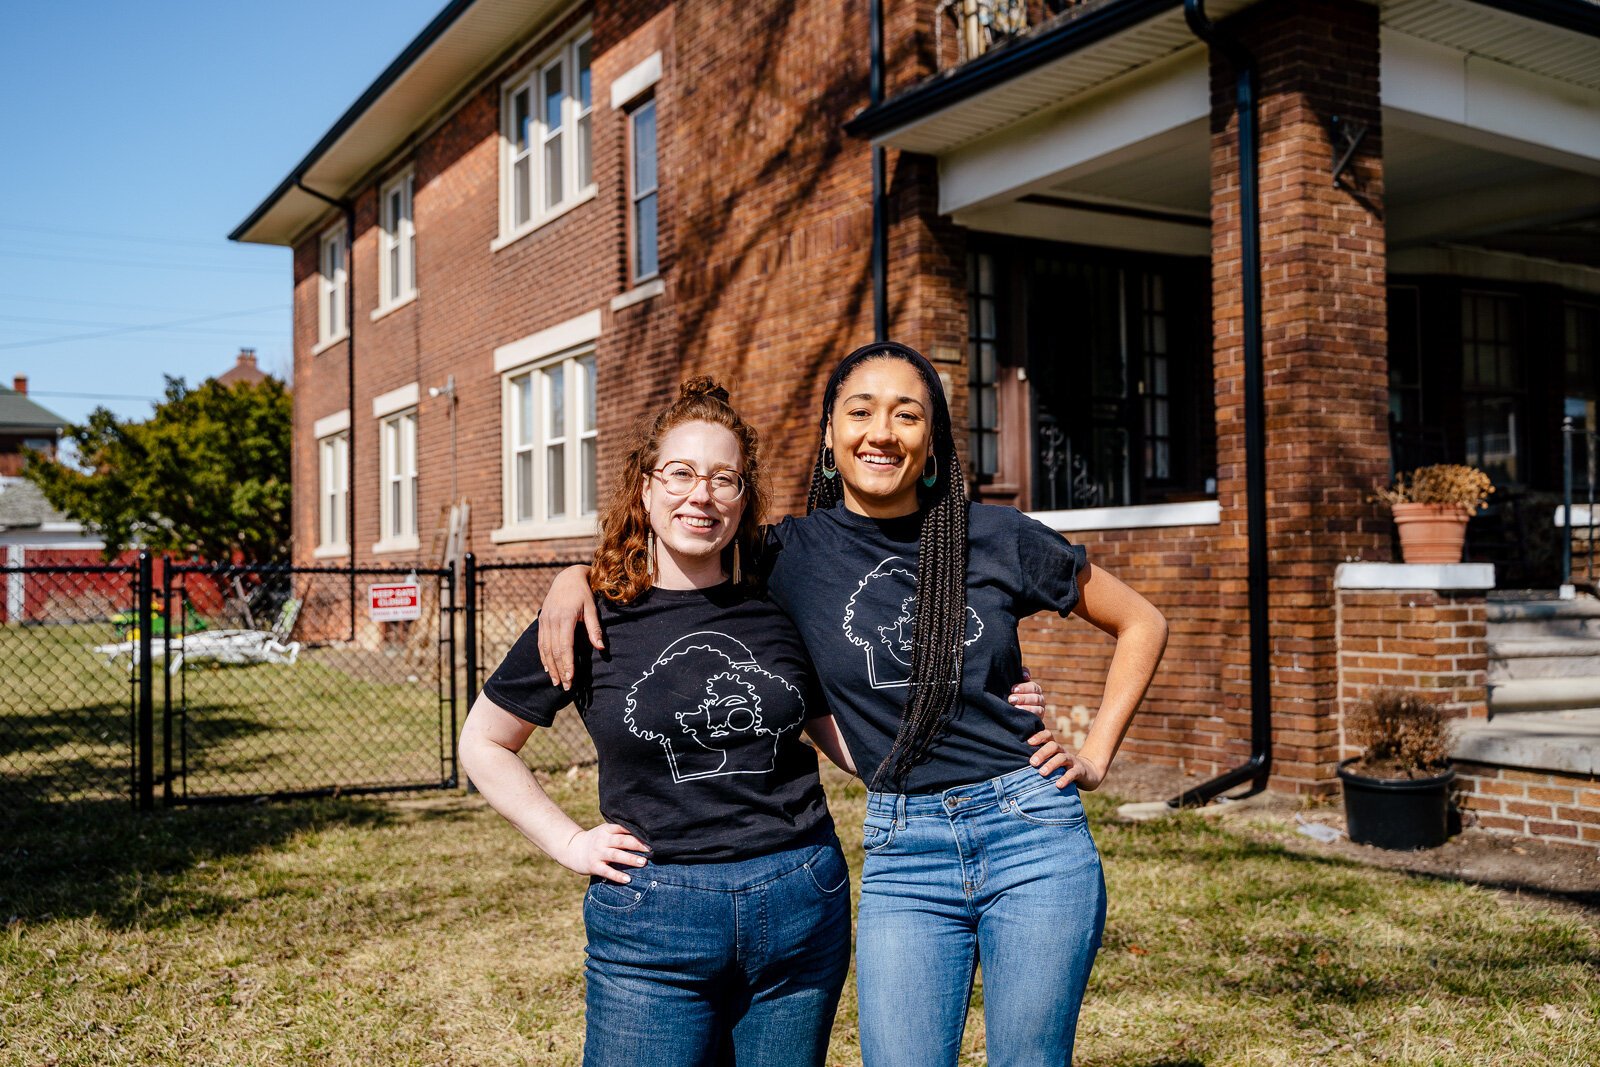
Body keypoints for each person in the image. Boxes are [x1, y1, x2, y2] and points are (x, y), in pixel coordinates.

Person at [537, 344, 1168, 1066]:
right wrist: (572, 576)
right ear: (830, 435)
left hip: (1031, 831)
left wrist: (1094, 755)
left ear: (931, 440)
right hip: (905, 847)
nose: (882, 430)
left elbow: (1141, 620)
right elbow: (681, 542)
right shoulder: (783, 554)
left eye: (907, 413)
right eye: (861, 410)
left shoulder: (996, 534)